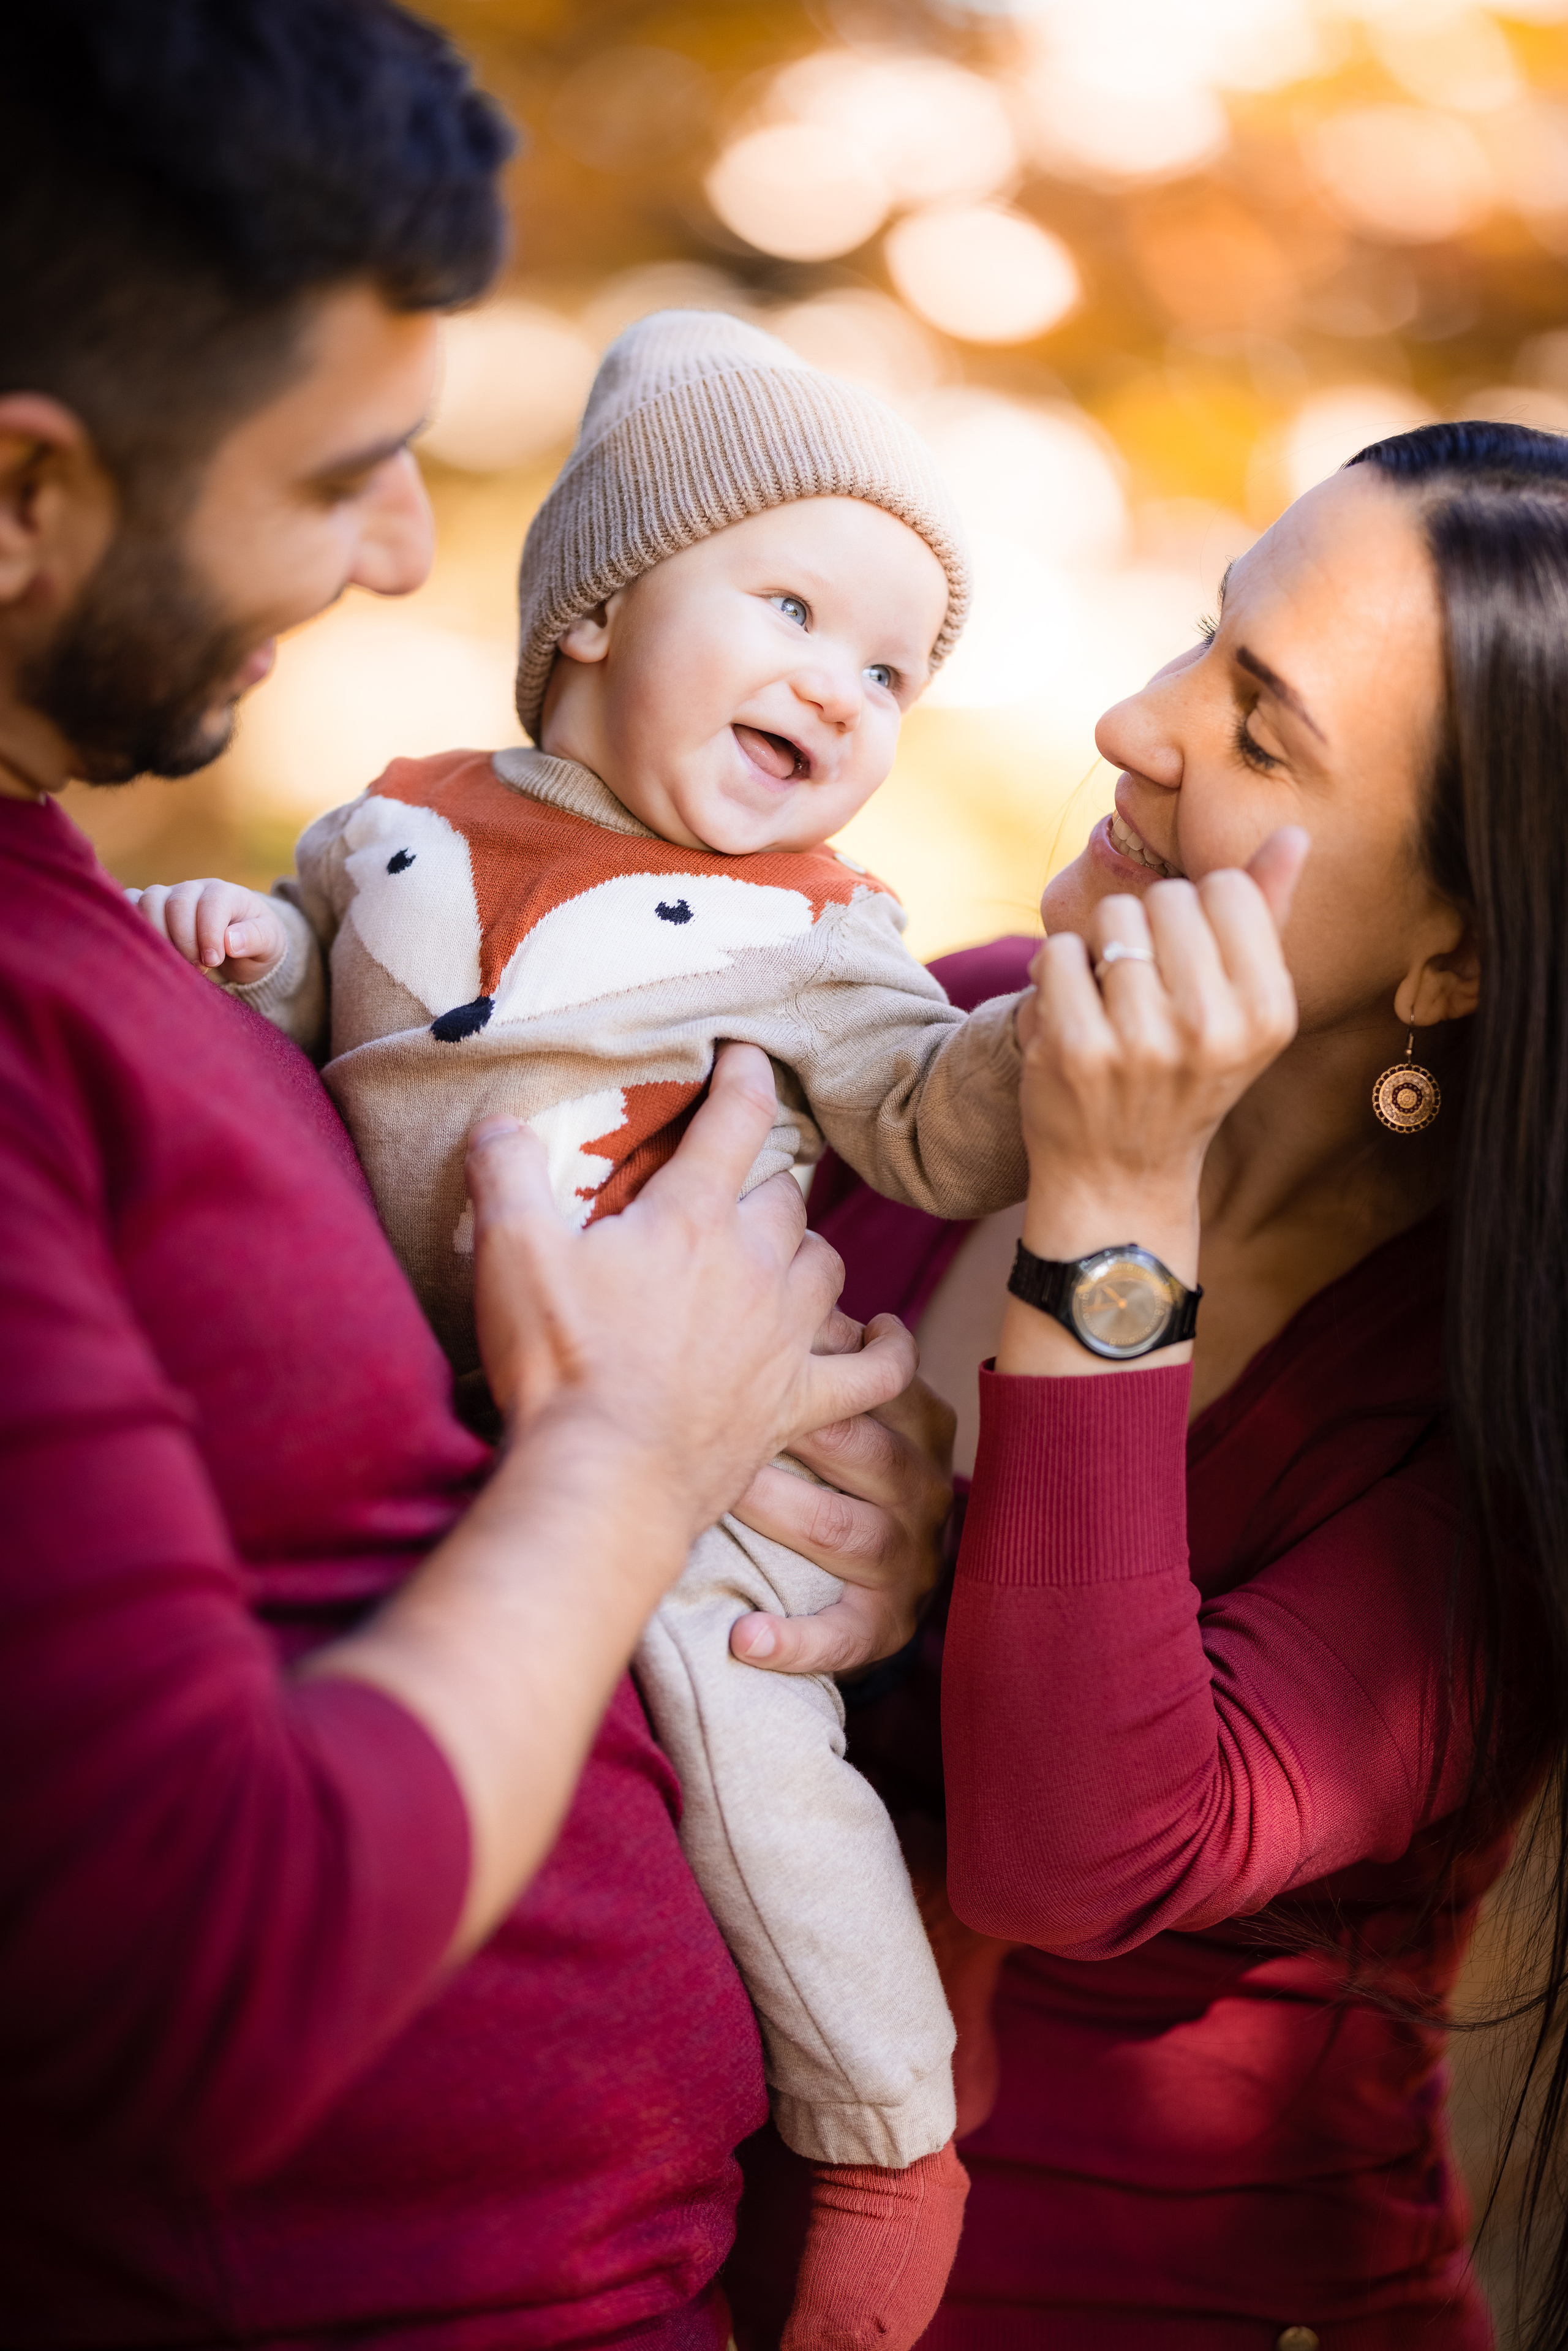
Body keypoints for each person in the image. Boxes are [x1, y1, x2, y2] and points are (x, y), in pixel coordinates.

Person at [0, 7, 955, 2346]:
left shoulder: (90, 937)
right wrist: (639, 1456)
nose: (414, 549)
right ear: (27, 496)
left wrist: (801, 1469)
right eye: (345, 472)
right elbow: (212, 1967)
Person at [135, 303, 1038, 2349]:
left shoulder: (817, 930)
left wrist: (1069, 1043)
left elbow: (936, 1105)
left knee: (763, 1776)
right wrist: (246, 943)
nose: (844, 682)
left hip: (693, 1444)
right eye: (795, 604)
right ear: (602, 608)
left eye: (894, 666)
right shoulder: (403, 818)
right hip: (426, 1419)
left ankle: (889, 2148)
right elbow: (316, 1015)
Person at [731, 420, 1568, 2349]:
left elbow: (1081, 1851)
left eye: (1262, 734)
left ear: (1451, 951)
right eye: (1207, 635)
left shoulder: (1495, 1407)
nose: (1134, 721)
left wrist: (1115, 1205)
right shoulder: (935, 1049)